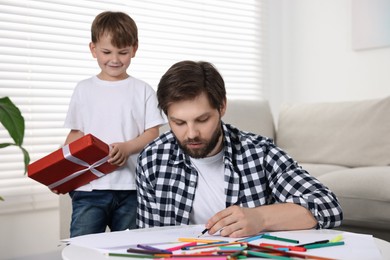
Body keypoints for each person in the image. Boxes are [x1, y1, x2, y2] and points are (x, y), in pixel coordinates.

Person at [136, 60, 343, 238]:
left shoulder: (260, 154)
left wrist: (260, 217)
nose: (191, 133)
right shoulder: (152, 159)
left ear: (222, 107)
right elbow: (148, 239)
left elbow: (327, 206)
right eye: (179, 122)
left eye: (202, 119)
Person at [63, 11, 166, 237]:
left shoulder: (143, 90)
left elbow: (153, 133)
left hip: (130, 188)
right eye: (106, 52)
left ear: (134, 50)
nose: (115, 59)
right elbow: (75, 134)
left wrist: (128, 147)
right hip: (89, 188)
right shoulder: (83, 89)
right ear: (93, 49)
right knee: (83, 247)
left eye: (123, 52)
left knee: (128, 248)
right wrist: (63, 173)